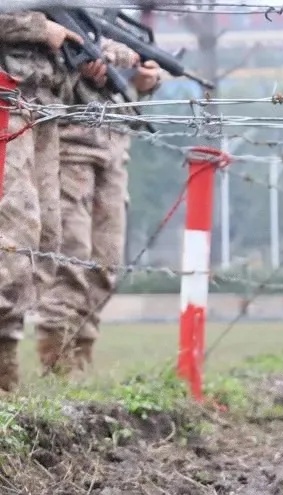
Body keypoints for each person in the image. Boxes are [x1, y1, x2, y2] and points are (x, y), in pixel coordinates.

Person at [36, 37, 163, 375]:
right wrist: (93, 59)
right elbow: (34, 54)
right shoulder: (50, 12)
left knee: (107, 262)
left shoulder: (110, 12)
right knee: (70, 257)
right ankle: (57, 365)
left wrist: (144, 76)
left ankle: (81, 356)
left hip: (114, 142)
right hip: (67, 140)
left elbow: (132, 64)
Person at [0, 11, 89, 392]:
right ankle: (4, 372)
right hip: (7, 100)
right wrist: (38, 28)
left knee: (44, 241)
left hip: (42, 106)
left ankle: (8, 362)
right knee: (13, 238)